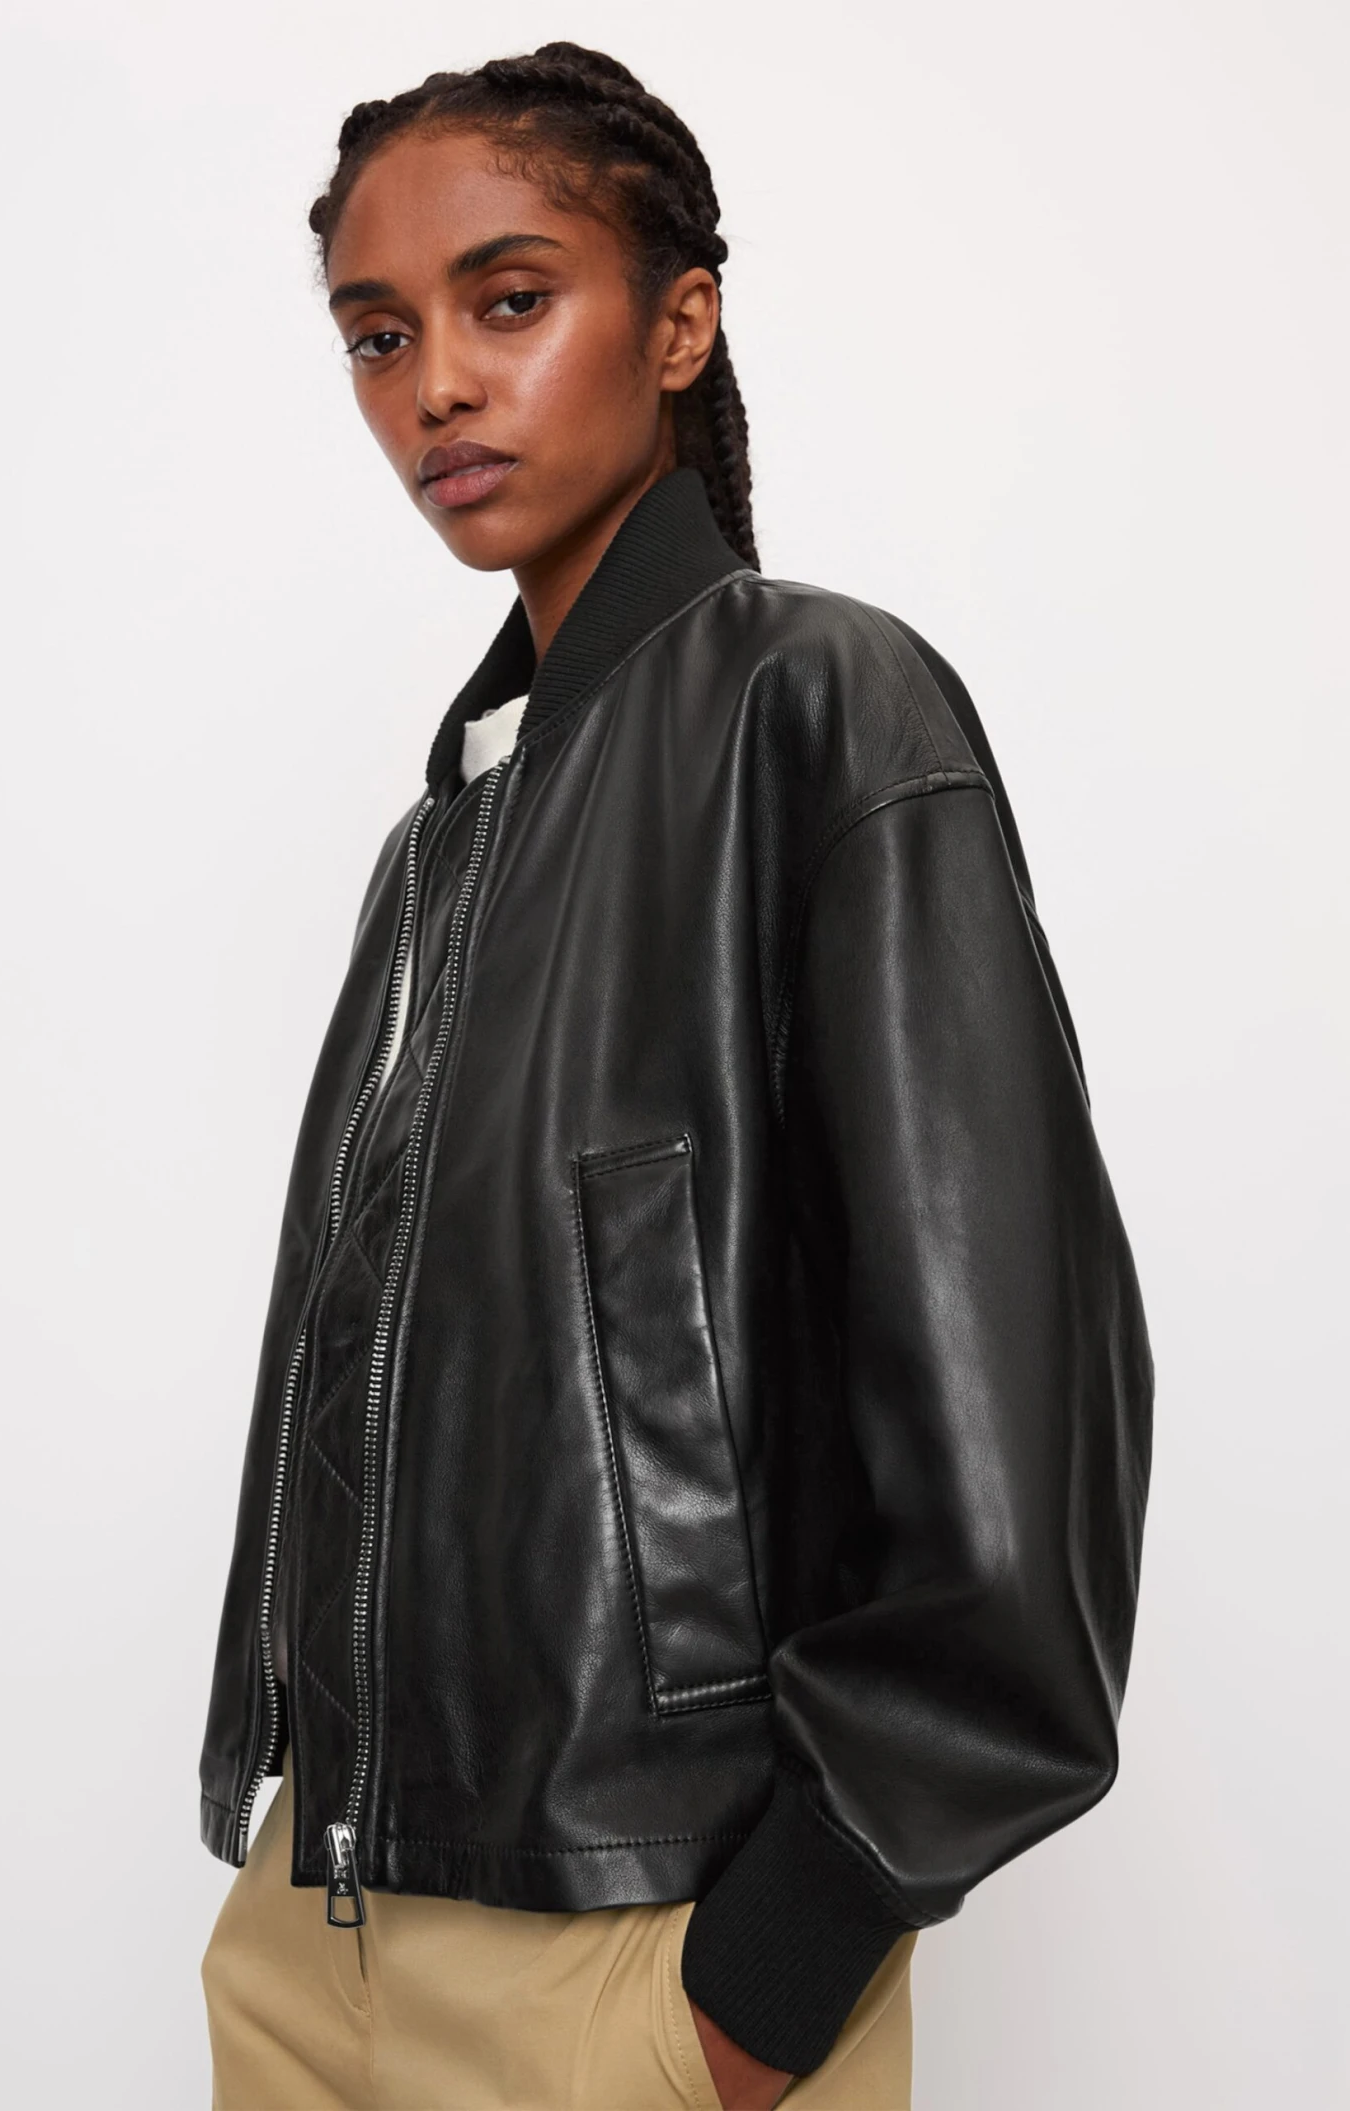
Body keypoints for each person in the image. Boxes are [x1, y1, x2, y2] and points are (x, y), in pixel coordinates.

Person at [198, 41, 1153, 2111]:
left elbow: (1015, 1439)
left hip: (634, 1963)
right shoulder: (439, 845)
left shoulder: (822, 707)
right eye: (379, 334)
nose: (436, 386)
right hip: (310, 1938)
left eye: (509, 299)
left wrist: (763, 1978)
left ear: (680, 319)